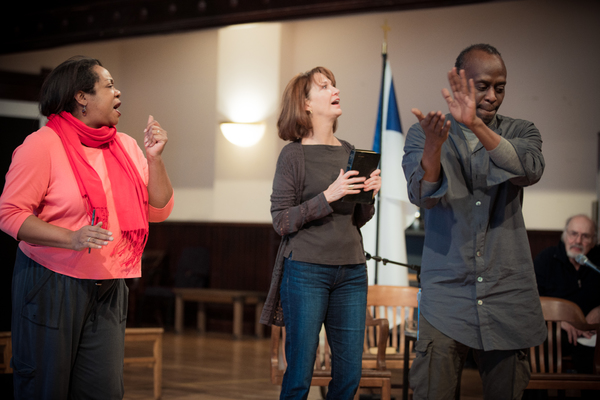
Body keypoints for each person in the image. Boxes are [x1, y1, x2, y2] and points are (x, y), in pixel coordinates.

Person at [0, 56, 174, 399]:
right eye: (109, 86)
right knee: (45, 388)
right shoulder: (42, 145)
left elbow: (159, 209)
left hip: (109, 284)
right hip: (51, 282)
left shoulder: (124, 146)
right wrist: (71, 237)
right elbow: (9, 214)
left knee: (104, 391)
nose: (118, 92)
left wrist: (154, 158)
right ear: (82, 97)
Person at [402, 44, 547, 399]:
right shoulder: (424, 132)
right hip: (446, 296)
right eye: (483, 86)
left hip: (507, 294)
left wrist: (476, 125)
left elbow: (528, 170)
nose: (493, 95)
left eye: (500, 87)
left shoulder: (521, 130)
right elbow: (423, 196)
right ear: (460, 83)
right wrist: (434, 148)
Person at [259, 66, 381, 399]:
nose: (334, 90)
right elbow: (281, 220)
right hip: (306, 271)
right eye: (324, 86)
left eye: (333, 85)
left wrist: (369, 195)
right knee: (299, 371)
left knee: (349, 375)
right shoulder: (293, 155)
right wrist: (328, 196)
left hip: (352, 271)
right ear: (306, 104)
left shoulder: (349, 151)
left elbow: (358, 219)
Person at [534, 214, 600, 375]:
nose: (578, 241)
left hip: (592, 332)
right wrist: (558, 320)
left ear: (593, 240)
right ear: (565, 236)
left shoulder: (597, 260)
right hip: (555, 330)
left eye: (585, 236)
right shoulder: (547, 259)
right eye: (573, 234)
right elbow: (532, 299)